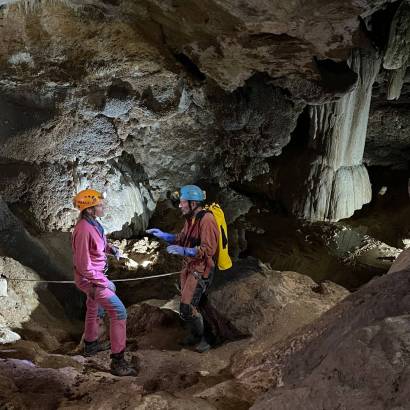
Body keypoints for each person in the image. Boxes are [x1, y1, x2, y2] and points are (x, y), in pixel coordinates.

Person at [147, 185, 219, 353]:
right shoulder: (191, 218)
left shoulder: (206, 220)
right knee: (193, 303)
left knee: (187, 307)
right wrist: (165, 236)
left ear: (193, 203)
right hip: (189, 266)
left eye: (183, 202)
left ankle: (205, 338)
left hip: (200, 269)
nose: (180, 205)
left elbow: (208, 249)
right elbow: (182, 238)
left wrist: (185, 251)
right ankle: (196, 334)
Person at [72, 189, 136, 376]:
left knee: (94, 307)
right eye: (99, 204)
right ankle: (118, 361)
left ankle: (91, 345)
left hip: (95, 275)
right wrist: (103, 282)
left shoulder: (94, 225)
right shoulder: (83, 229)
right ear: (90, 210)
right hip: (89, 279)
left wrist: (111, 249)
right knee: (119, 311)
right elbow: (83, 265)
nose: (103, 206)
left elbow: (97, 246)